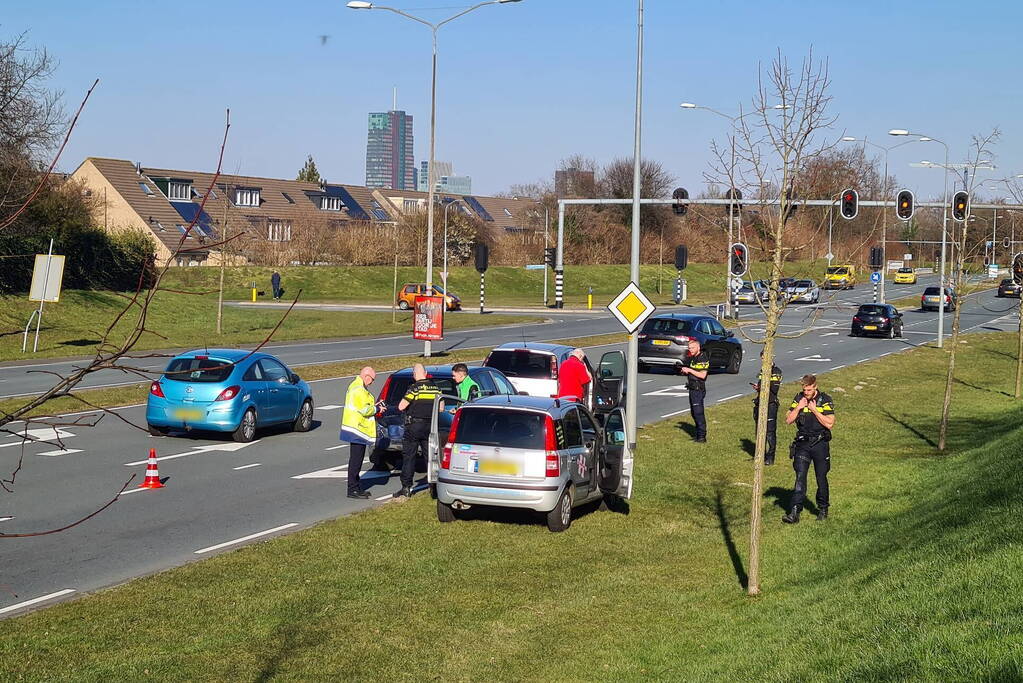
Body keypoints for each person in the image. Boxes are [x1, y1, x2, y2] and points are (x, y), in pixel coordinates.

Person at [782, 374, 836, 524]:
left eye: (809, 389)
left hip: (820, 444)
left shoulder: (824, 399)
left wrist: (814, 410)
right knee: (800, 476)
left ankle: (823, 509)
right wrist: (799, 407)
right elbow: (788, 420)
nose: (806, 392)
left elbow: (830, 423)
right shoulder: (799, 398)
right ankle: (794, 512)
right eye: (804, 389)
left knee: (821, 478)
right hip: (803, 444)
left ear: (815, 387)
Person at [394, 363, 441, 499]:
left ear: (414, 375)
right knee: (431, 457)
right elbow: (441, 408)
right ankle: (433, 486)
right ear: (425, 373)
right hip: (430, 426)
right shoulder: (435, 388)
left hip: (414, 426)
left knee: (409, 457)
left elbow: (401, 406)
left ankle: (406, 487)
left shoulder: (414, 388)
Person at [340, 366, 379, 499]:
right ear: (367, 376)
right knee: (356, 460)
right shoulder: (359, 389)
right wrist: (377, 408)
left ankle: (356, 486)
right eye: (372, 379)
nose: (372, 382)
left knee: (357, 459)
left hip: (356, 428)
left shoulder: (357, 386)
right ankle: (352, 489)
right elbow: (364, 410)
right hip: (356, 429)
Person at [752, 352, 783, 465]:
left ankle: (770, 457)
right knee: (759, 430)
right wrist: (758, 388)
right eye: (762, 358)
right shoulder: (762, 370)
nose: (763, 360)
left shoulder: (776, 371)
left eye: (765, 358)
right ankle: (760, 455)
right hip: (760, 402)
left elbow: (774, 389)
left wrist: (763, 385)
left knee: (770, 432)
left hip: (770, 404)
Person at [679, 338, 710, 443]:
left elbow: (702, 375)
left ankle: (702, 437)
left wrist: (690, 370)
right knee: (693, 412)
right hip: (692, 388)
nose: (690, 350)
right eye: (689, 348)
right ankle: (698, 434)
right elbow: (693, 372)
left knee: (698, 412)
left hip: (698, 389)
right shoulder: (693, 358)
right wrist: (685, 371)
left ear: (698, 347)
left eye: (692, 348)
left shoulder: (703, 358)